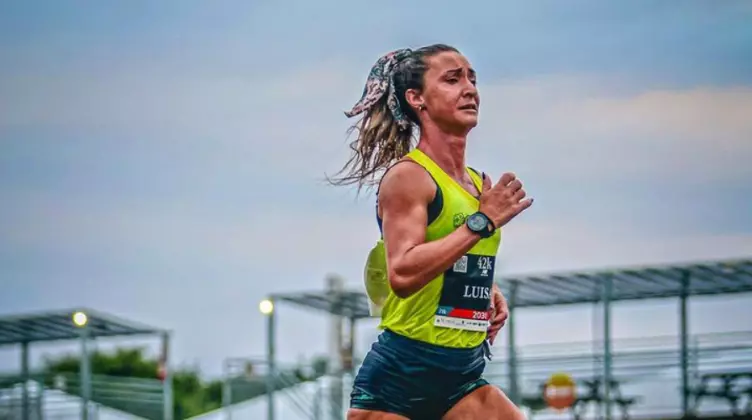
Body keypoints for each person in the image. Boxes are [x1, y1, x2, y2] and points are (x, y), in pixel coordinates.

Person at [330, 44, 533, 420]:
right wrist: (482, 222)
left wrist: (486, 288)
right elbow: (403, 272)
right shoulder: (409, 177)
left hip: (462, 375)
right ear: (416, 98)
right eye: (452, 80)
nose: (470, 89)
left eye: (472, 78)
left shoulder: (478, 184)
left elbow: (450, 254)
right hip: (400, 381)